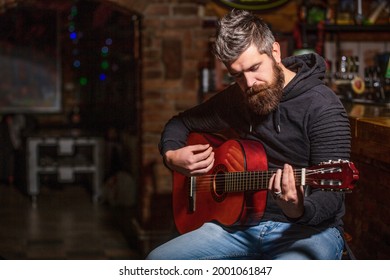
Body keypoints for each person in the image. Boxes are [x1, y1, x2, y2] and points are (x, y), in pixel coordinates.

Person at [147, 9, 351, 260]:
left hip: (310, 229)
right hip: (240, 224)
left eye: (255, 67)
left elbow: (332, 198)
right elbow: (180, 123)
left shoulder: (322, 105)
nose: (249, 82)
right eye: (237, 75)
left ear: (275, 52)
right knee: (157, 262)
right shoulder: (240, 96)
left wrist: (299, 209)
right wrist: (172, 155)